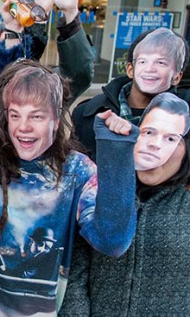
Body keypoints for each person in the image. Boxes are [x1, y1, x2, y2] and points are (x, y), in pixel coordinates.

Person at [0, 61, 137, 316]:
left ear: (56, 120)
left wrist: (117, 154)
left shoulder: (77, 172)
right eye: (15, 115)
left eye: (36, 116)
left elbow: (112, 241)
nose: (23, 126)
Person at [61, 92, 190, 316]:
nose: (155, 146)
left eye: (170, 139)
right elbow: (76, 270)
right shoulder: (99, 191)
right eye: (148, 132)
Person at [73, 27, 188, 160]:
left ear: (177, 77)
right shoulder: (88, 113)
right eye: (143, 61)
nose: (150, 69)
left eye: (161, 63)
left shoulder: (184, 121)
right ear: (130, 69)